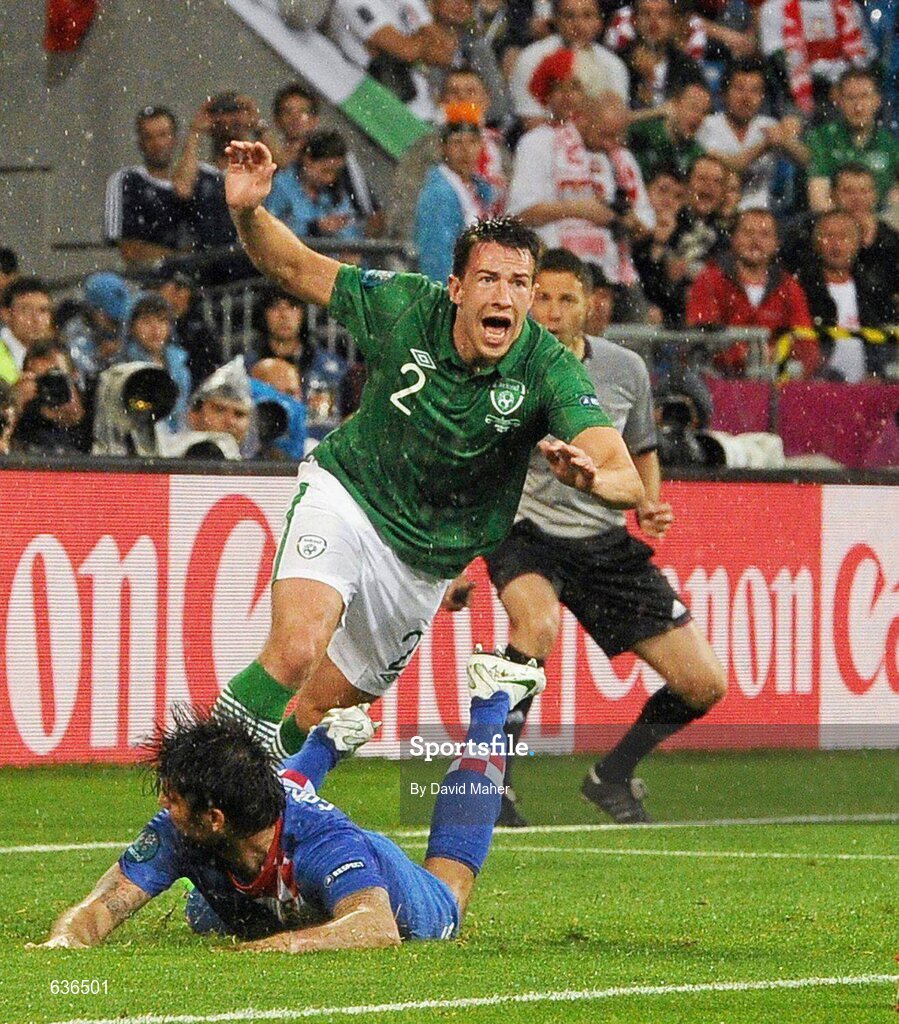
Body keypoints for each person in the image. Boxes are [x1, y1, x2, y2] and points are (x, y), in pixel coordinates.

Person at [214, 139, 643, 759]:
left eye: (518, 284)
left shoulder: (548, 369)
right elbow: (295, 268)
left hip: (425, 563)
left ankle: (252, 794)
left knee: (318, 714)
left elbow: (627, 477)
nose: (504, 296)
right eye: (489, 280)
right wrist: (250, 213)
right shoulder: (404, 305)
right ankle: (196, 781)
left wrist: (595, 480)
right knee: (297, 648)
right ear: (456, 288)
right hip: (350, 497)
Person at [446, 248, 726, 825]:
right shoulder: (503, 364)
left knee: (704, 684)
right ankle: (491, 785)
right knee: (536, 625)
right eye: (539, 296)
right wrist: (455, 558)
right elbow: (471, 465)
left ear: (591, 306)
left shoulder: (625, 369)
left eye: (564, 298)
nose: (549, 310)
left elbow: (642, 449)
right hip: (525, 532)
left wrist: (648, 503)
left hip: (602, 540)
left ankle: (612, 777)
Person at [33, 662, 544, 950]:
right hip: (263, 873)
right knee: (205, 912)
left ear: (212, 819)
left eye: (174, 797)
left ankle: (493, 701)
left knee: (450, 895)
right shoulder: (182, 827)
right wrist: (65, 941)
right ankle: (325, 744)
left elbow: (376, 928)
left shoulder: (323, 839)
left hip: (376, 879)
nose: (165, 806)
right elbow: (99, 908)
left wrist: (281, 947)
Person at [686, 207, 814, 375]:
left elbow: (807, 344)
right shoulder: (709, 280)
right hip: (720, 383)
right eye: (748, 233)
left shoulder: (789, 287)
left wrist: (778, 356)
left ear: (776, 243)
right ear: (733, 238)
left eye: (764, 234)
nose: (756, 241)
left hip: (776, 384)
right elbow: (702, 336)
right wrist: (749, 356)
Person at [794, 210, 896, 380]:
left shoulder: (873, 290)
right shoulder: (802, 288)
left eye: (845, 237)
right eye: (828, 236)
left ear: (858, 242)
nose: (836, 244)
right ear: (816, 242)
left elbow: (887, 339)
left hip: (869, 393)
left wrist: (878, 373)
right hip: (817, 389)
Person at [696, 58, 809, 210]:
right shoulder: (706, 126)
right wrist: (764, 145)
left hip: (761, 214)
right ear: (724, 93)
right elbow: (735, 166)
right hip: (717, 210)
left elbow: (808, 161)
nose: (746, 98)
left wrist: (784, 141)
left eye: (755, 91)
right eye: (739, 89)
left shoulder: (768, 125)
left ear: (762, 97)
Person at [509, 0, 629, 129]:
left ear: (599, 22)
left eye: (587, 16)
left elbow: (617, 121)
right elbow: (531, 122)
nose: (578, 24)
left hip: (598, 144)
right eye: (569, 16)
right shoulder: (532, 57)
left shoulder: (613, 64)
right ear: (556, 20)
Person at [414, 112, 500, 283]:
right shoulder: (438, 195)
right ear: (443, 147)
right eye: (457, 143)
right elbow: (436, 257)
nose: (465, 150)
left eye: (472, 142)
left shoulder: (481, 189)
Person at [805, 68, 899, 212]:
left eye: (864, 97)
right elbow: (819, 202)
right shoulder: (821, 138)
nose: (858, 107)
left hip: (878, 226)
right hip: (836, 226)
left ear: (877, 101)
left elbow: (895, 201)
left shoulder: (891, 144)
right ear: (839, 101)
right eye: (851, 98)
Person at [104, 106, 185, 268]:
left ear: (174, 138)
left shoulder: (198, 181)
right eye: (149, 137)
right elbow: (128, 249)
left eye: (163, 135)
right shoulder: (127, 181)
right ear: (140, 142)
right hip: (145, 283)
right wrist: (185, 260)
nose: (158, 144)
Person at [264, 129, 363, 251]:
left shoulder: (336, 192)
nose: (330, 179)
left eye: (335, 172)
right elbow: (268, 229)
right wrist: (313, 228)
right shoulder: (281, 186)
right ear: (308, 160)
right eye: (325, 171)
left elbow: (351, 231)